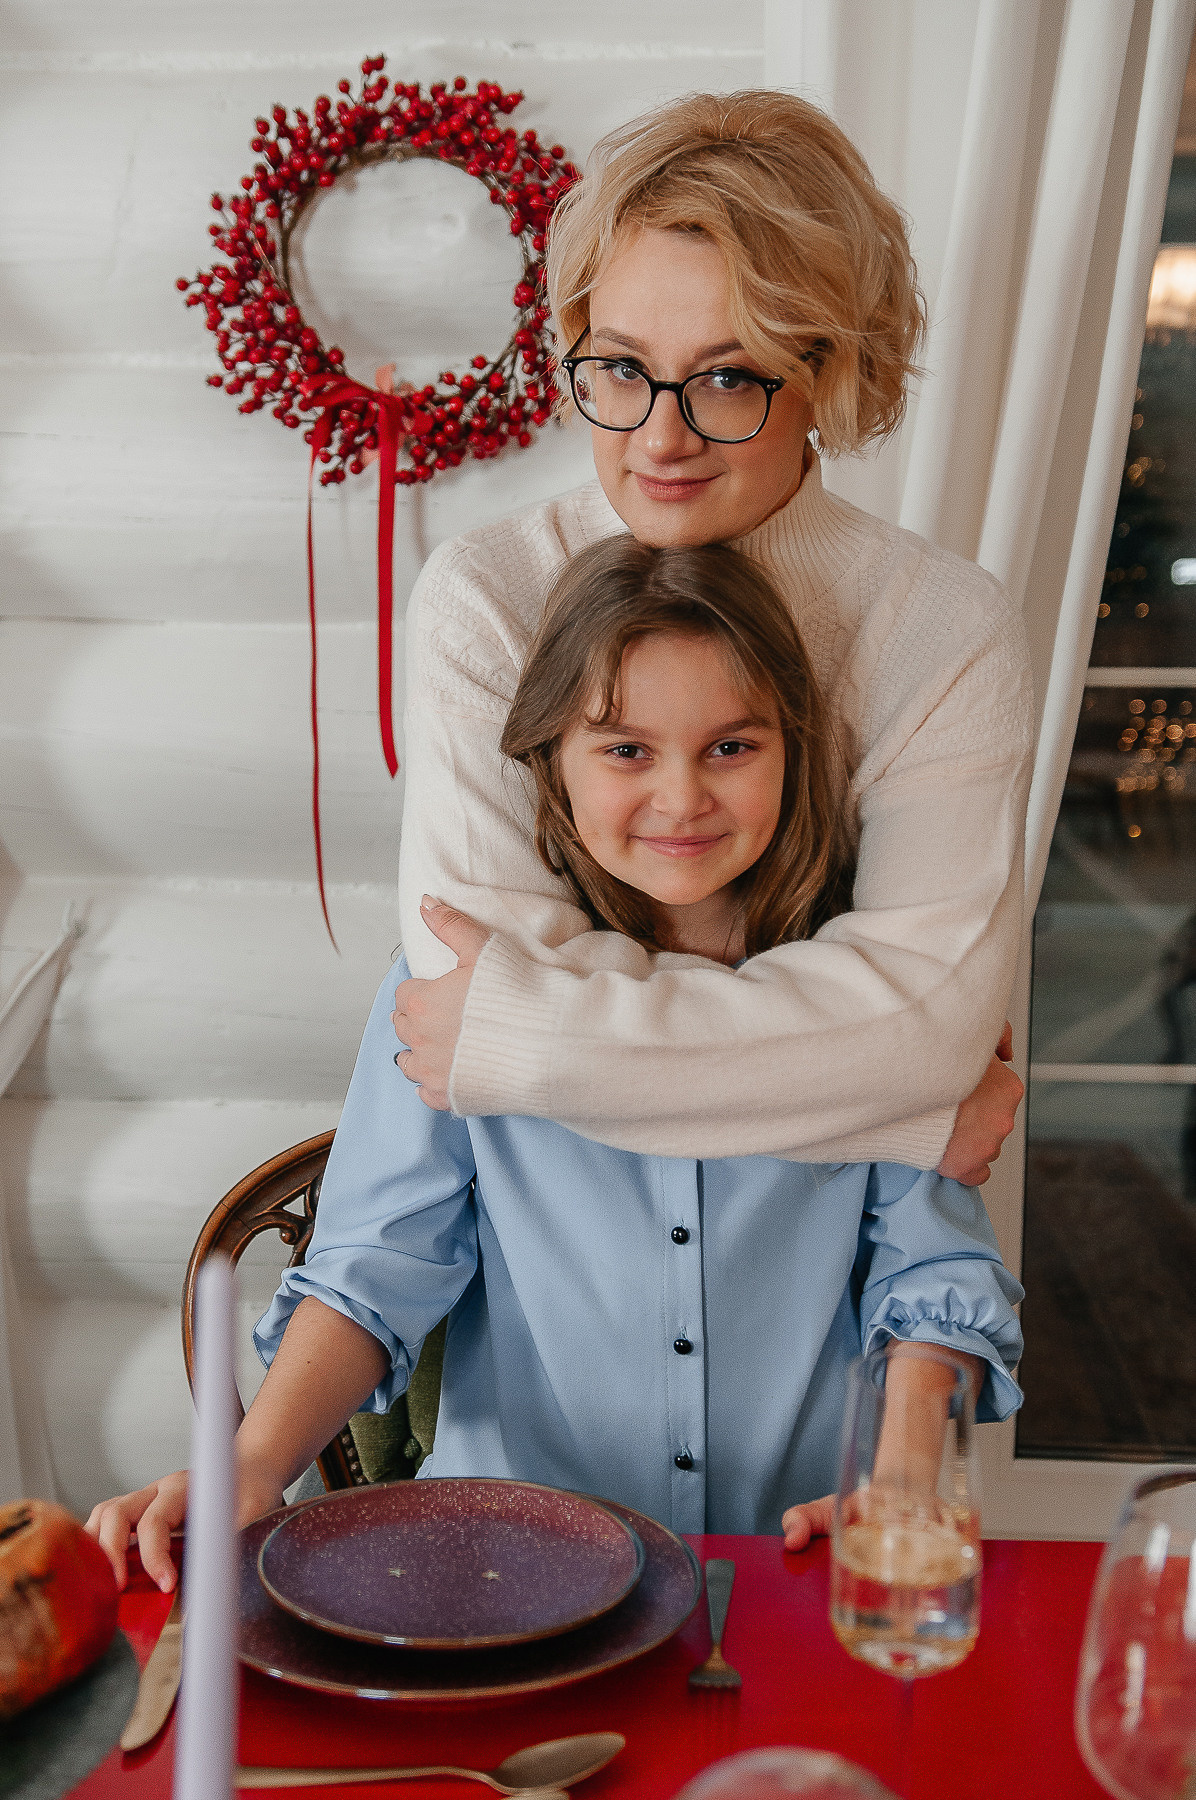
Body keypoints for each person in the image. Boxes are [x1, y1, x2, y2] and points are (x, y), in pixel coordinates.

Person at [87, 537, 1022, 1591]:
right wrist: (250, 1464)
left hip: (792, 1565)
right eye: (624, 749)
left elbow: (930, 1276)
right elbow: (373, 1268)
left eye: (730, 747)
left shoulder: (882, 1006)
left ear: (792, 752)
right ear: (549, 761)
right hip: (501, 1574)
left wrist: (899, 1478)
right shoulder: (456, 991)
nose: (681, 800)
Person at [392, 89, 1029, 1188]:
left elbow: (925, 1026)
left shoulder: (942, 627)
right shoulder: (486, 594)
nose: (661, 437)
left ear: (827, 375)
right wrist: (903, 1123)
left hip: (837, 1275)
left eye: (730, 376)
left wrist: (533, 1044)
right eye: (622, 368)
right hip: (547, 1237)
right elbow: (464, 986)